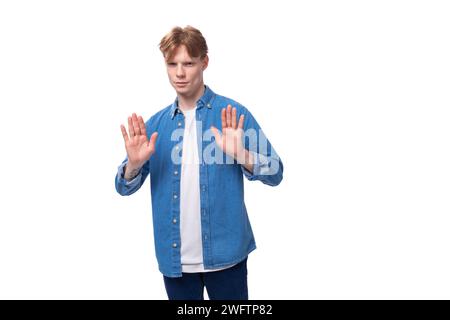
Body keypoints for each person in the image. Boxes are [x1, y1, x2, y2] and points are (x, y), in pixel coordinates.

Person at [115, 25, 283, 300]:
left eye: (189, 63)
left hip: (228, 257)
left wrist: (243, 156)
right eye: (172, 64)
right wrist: (133, 165)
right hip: (175, 262)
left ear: (204, 62)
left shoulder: (234, 115)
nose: (179, 73)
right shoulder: (155, 126)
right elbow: (123, 187)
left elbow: (276, 172)